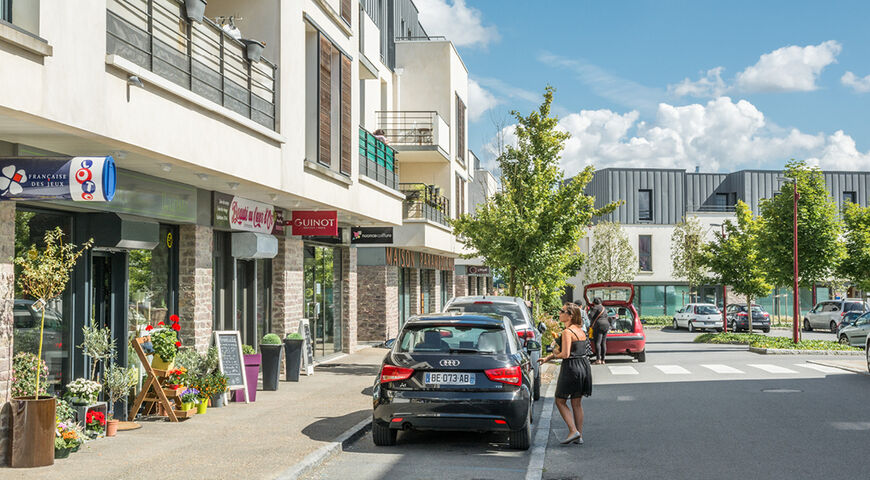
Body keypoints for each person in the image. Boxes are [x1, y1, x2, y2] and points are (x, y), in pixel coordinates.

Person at [538, 303, 592, 445]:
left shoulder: (567, 333)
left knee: (560, 400)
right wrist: (547, 358)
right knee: (577, 403)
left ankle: (572, 430)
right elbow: (578, 350)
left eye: (562, 311)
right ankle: (579, 436)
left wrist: (554, 353)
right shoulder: (580, 331)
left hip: (571, 368)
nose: (560, 313)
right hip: (583, 366)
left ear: (570, 315)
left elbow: (565, 354)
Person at [589, 297, 609, 365]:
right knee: (603, 342)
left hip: (599, 325)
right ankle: (603, 360)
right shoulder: (604, 308)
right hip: (606, 325)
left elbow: (591, 316)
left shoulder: (595, 307)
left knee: (597, 342)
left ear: (594, 302)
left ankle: (598, 359)